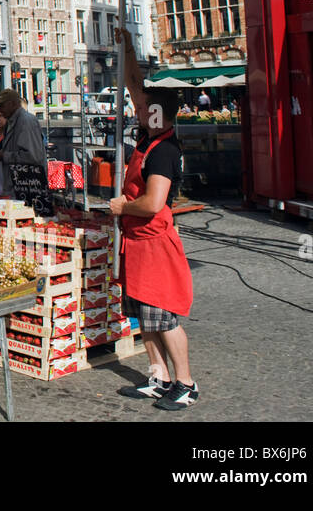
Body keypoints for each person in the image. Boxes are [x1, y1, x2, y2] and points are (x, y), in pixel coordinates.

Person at [111, 26, 198, 410]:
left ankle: (186, 382)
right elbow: (134, 84)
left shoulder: (163, 150)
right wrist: (128, 47)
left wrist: (122, 207)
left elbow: (152, 202)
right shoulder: (149, 136)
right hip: (137, 244)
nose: (138, 110)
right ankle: (158, 375)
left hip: (154, 242)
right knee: (144, 316)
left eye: (145, 108)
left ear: (160, 113)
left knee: (165, 318)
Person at [0, 88, 47, 172]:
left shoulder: (26, 121)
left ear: (12, 104)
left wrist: (2, 156)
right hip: (16, 180)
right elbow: (14, 150)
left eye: (2, 106)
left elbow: (33, 156)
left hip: (29, 181)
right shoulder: (12, 122)